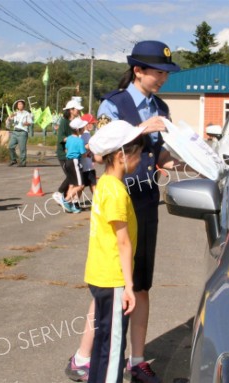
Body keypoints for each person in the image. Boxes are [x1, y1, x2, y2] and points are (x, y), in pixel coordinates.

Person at [66, 40, 180, 383]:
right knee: (113, 284)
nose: (162, 78)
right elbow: (100, 154)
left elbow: (158, 156)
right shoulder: (113, 105)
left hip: (145, 200)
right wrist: (142, 130)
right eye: (157, 72)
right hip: (118, 198)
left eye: (166, 73)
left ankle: (138, 360)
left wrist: (175, 159)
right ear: (138, 71)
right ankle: (83, 358)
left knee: (141, 283)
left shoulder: (161, 107)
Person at [72, 120, 145, 383]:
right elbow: (122, 242)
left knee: (104, 343)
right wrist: (128, 285)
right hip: (113, 279)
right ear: (121, 155)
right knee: (113, 348)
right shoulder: (115, 192)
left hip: (100, 274)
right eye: (137, 153)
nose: (140, 159)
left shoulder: (103, 184)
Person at [53, 99, 83, 206]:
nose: (78, 111)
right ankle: (59, 193)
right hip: (64, 154)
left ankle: (67, 199)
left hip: (73, 154)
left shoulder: (75, 121)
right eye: (77, 109)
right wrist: (73, 140)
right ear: (71, 110)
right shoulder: (64, 122)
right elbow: (61, 138)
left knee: (73, 177)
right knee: (71, 176)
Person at [61, 117, 88, 213]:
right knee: (80, 185)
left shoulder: (69, 139)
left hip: (67, 162)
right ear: (78, 129)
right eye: (82, 127)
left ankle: (72, 205)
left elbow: (67, 149)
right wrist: (88, 149)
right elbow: (84, 154)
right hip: (75, 162)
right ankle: (66, 200)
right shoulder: (80, 141)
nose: (84, 129)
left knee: (72, 184)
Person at [6, 99, 32, 167]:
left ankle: (23, 163)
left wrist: (26, 123)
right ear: (17, 106)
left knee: (22, 148)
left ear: (23, 105)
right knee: (10, 146)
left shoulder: (27, 114)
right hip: (15, 132)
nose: (19, 105)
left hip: (23, 132)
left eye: (21, 104)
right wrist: (10, 117)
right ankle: (13, 159)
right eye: (18, 104)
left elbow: (30, 122)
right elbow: (9, 120)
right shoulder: (15, 113)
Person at [79, 114, 98, 196]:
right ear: (86, 124)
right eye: (91, 123)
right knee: (92, 184)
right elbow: (87, 146)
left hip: (83, 165)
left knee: (82, 185)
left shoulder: (81, 134)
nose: (93, 125)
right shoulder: (86, 134)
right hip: (87, 165)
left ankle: (75, 202)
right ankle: (98, 201)